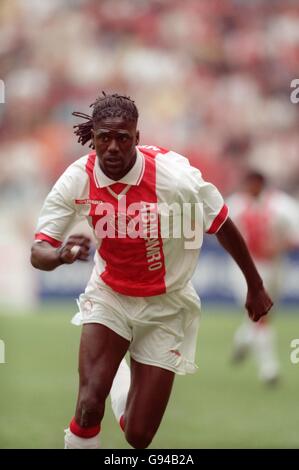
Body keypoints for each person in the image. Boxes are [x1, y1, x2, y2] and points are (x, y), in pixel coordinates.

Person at [31, 93, 272, 449]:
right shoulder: (77, 178)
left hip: (167, 305)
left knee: (139, 437)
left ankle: (117, 380)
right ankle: (105, 377)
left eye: (123, 138)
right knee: (87, 406)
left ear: (137, 138)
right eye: (104, 138)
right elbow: (39, 252)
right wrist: (61, 254)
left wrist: (255, 285)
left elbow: (222, 223)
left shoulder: (174, 178)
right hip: (109, 295)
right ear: (93, 137)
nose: (112, 147)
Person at [228, 171, 299, 384]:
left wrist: (278, 245)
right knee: (260, 315)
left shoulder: (282, 205)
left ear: (260, 184)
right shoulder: (235, 205)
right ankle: (270, 369)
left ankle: (242, 339)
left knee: (265, 312)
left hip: (275, 266)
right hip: (246, 267)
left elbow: (294, 236)